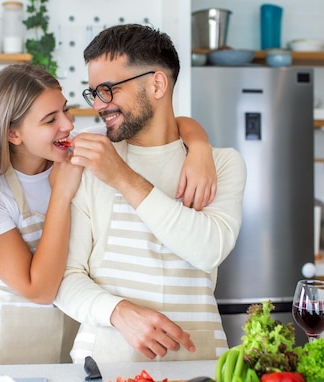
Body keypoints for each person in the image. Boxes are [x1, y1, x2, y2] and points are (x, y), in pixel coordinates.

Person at [0, 64, 218, 365]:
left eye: (66, 110)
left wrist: (201, 149)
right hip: (3, 354)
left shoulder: (76, 153)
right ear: (13, 133)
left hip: (69, 345)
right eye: (50, 120)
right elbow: (40, 290)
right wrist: (60, 195)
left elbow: (170, 121)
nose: (67, 125)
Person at [54, 24, 247, 363]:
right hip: (105, 366)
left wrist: (123, 178)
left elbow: (208, 250)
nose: (99, 104)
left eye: (108, 89)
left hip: (199, 366)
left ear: (157, 83)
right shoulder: (88, 161)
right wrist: (118, 312)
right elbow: (65, 278)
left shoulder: (222, 164)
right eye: (93, 93)